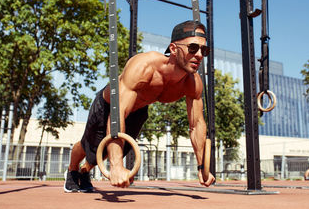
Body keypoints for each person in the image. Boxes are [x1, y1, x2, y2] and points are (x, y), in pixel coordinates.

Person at [64, 20, 216, 192]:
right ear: (173, 49)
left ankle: (84, 171)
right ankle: (72, 169)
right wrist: (116, 165)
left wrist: (202, 166)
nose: (199, 55)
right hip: (110, 105)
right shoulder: (144, 66)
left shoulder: (193, 83)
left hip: (138, 112)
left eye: (204, 50)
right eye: (193, 48)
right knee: (88, 145)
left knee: (103, 152)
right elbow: (118, 111)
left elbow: (196, 125)